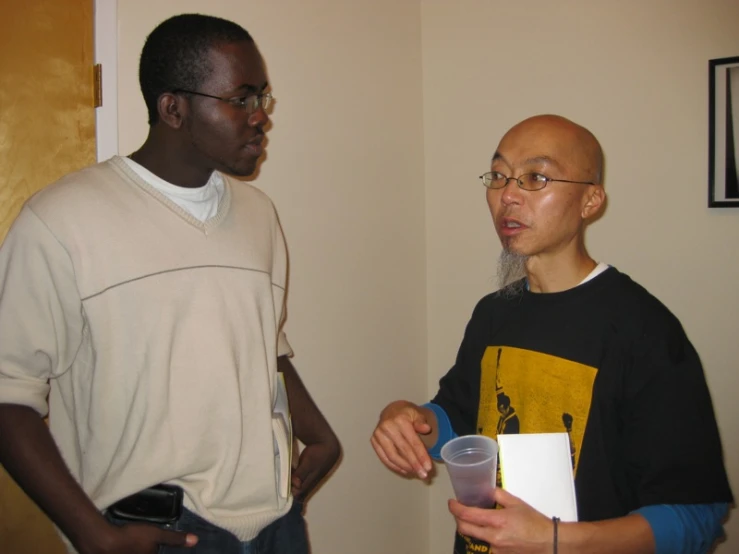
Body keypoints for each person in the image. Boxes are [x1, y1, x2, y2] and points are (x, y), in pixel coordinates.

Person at [0, 13, 340, 554]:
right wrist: (93, 536)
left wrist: (319, 433)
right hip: (159, 529)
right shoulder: (63, 220)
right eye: (242, 98)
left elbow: (262, 345)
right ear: (174, 108)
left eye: (264, 98)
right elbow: (9, 394)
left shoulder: (258, 215)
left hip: (275, 522)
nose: (260, 118)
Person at [371, 115, 733, 554]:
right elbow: (458, 423)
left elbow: (696, 517)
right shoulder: (493, 313)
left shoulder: (644, 330)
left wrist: (555, 540)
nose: (507, 195)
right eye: (499, 175)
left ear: (591, 201)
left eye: (535, 177)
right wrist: (409, 419)